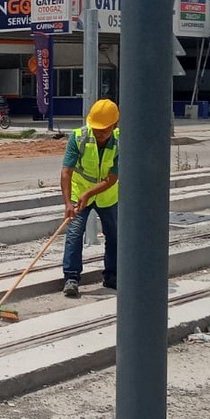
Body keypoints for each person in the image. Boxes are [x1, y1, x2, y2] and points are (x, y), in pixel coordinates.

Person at [60, 98, 119, 298]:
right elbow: (66, 172)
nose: (98, 133)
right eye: (96, 128)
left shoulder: (121, 141)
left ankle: (112, 276)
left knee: (114, 235)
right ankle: (71, 278)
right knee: (74, 234)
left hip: (107, 196)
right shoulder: (79, 137)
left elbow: (112, 178)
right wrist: (68, 203)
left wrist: (89, 194)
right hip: (79, 192)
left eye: (103, 129)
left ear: (114, 125)